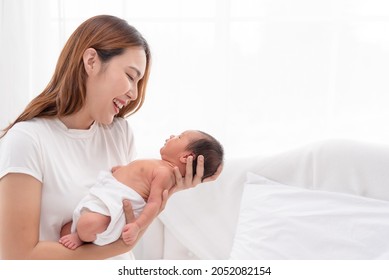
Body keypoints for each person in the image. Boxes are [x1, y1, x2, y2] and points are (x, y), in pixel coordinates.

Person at [0, 15, 222, 260]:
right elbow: (16, 256)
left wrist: (170, 189)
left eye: (139, 82)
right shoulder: (28, 140)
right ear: (91, 61)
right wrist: (117, 248)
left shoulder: (119, 133)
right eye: (130, 76)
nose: (134, 93)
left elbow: (127, 218)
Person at [59, 130, 224, 250]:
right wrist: (123, 170)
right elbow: (137, 177)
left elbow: (154, 203)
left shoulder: (165, 173)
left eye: (179, 137)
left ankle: (81, 237)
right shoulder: (158, 165)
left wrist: (137, 225)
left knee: (88, 224)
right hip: (104, 199)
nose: (172, 136)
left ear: (186, 157)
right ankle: (78, 235)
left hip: (112, 211)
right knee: (67, 228)